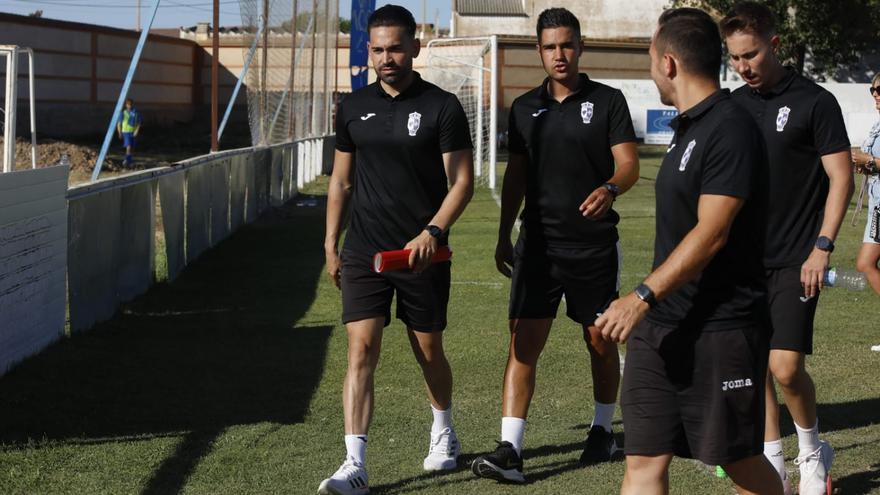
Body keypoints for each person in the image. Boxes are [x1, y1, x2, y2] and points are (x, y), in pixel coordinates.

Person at [597, 8, 783, 495]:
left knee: (737, 462)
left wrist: (640, 296)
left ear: (670, 63)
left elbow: (713, 231)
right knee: (642, 463)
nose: (650, 69)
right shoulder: (688, 130)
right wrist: (650, 308)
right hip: (661, 329)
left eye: (651, 58)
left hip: (721, 330)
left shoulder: (731, 127)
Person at [470, 7, 639, 484]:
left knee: (599, 342)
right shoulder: (524, 107)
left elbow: (628, 164)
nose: (559, 54)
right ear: (539, 51)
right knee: (522, 344)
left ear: (580, 46)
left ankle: (603, 430)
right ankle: (511, 449)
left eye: (567, 44)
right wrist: (505, 233)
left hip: (592, 247)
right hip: (538, 246)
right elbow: (517, 175)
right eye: (550, 47)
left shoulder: (607, 100)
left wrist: (609, 189)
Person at [318, 5, 474, 495]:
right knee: (360, 349)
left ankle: (443, 430)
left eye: (395, 48)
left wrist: (434, 231)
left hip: (419, 253)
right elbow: (341, 181)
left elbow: (462, 182)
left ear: (415, 46)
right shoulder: (351, 106)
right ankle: (354, 464)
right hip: (365, 250)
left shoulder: (442, 106)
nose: (387, 58)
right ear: (370, 50)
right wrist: (330, 241)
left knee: (428, 350)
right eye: (378, 49)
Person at [722, 3, 854, 493]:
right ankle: (772, 460)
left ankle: (813, 448)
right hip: (743, 262)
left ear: (774, 46)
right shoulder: (733, 106)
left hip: (799, 260)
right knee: (755, 367)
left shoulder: (815, 102)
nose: (743, 67)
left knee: (785, 367)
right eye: (734, 58)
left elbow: (841, 179)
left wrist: (822, 246)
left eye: (750, 55)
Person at [852, 73, 880, 349]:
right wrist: (864, 165)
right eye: (872, 90)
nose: (876, 95)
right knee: (865, 264)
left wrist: (869, 159)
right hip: (877, 203)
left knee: (865, 263)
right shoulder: (877, 123)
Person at [116, 98, 141, 168]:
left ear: (132, 105)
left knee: (132, 147)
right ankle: (128, 162)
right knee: (128, 146)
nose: (129, 106)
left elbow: (139, 123)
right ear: (126, 105)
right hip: (126, 132)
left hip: (133, 132)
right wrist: (119, 132)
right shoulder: (123, 113)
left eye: (130, 104)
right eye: (128, 105)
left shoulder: (136, 113)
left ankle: (128, 160)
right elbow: (119, 124)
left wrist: (136, 131)